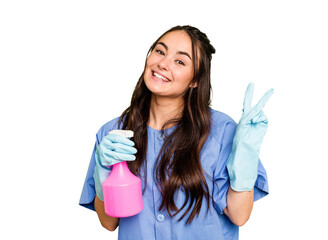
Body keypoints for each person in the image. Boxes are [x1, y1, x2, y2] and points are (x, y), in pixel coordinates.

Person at [79, 25, 273, 240]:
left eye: (180, 61)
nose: (162, 63)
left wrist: (246, 155)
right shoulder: (113, 134)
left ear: (195, 80)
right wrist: (103, 174)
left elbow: (239, 216)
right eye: (160, 51)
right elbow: (108, 223)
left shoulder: (221, 130)